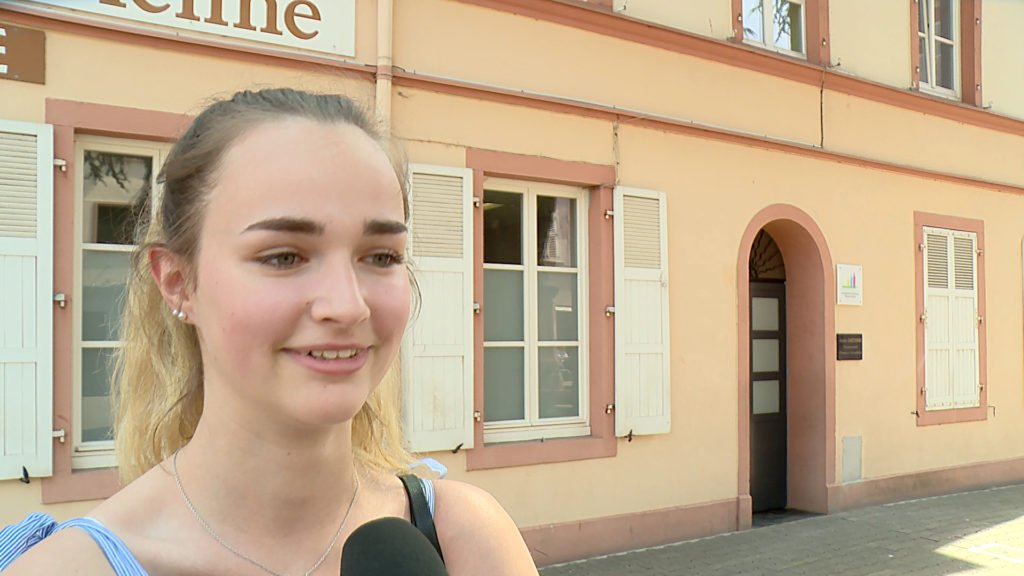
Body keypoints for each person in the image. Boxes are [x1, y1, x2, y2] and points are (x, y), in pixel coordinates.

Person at [0, 88, 539, 575]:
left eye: (380, 255)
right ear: (177, 281)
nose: (347, 306)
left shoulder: (466, 541)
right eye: (284, 256)